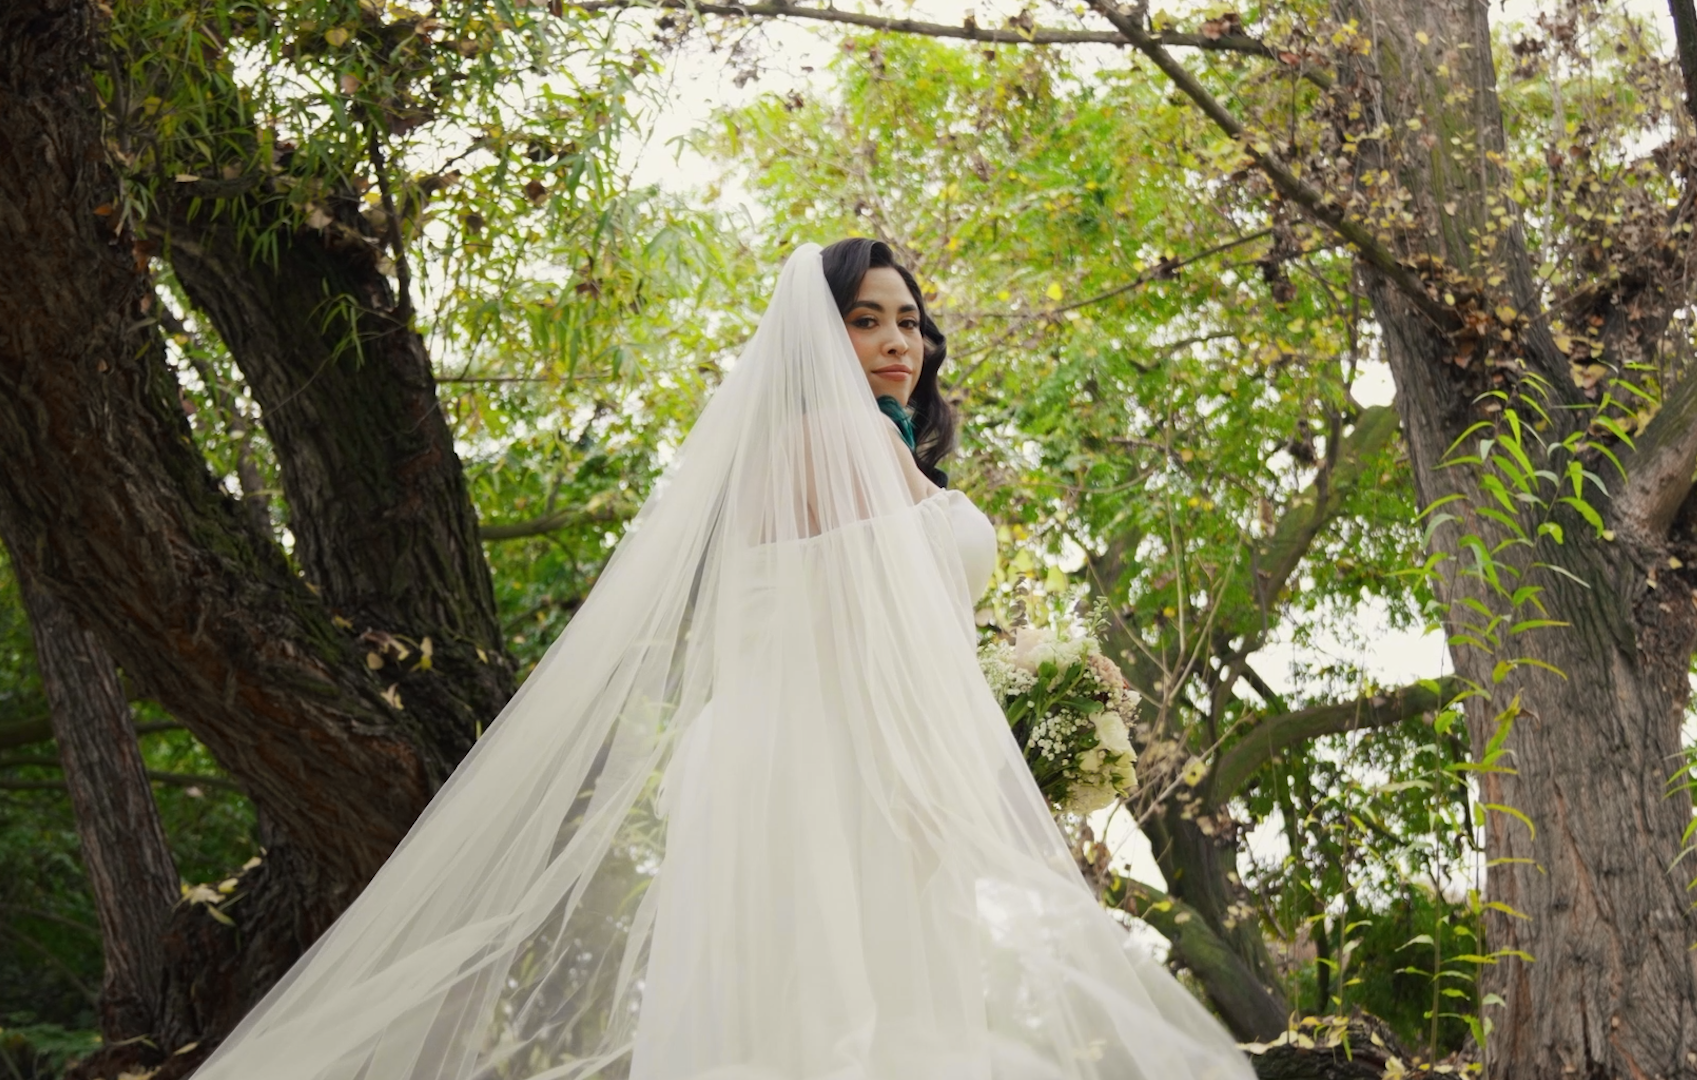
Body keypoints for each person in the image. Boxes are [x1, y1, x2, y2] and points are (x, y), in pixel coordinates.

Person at [192, 241, 1253, 1079]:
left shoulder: (849, 448)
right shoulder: (839, 446)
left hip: (804, 752)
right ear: (813, 335)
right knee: (848, 1023)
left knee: (824, 1015)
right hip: (831, 762)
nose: (899, 344)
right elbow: (874, 636)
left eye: (911, 325)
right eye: (866, 321)